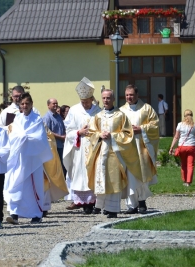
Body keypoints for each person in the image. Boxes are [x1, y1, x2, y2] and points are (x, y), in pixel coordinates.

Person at [86, 89, 141, 218]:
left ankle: (113, 209)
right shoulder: (98, 116)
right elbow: (91, 133)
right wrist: (99, 134)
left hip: (116, 153)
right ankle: (102, 206)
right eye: (104, 98)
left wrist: (113, 136)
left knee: (114, 179)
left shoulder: (120, 115)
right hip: (101, 152)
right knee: (102, 177)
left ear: (113, 99)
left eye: (109, 98)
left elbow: (128, 134)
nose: (106, 100)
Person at [4, 92, 52, 224]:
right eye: (22, 104)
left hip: (32, 158)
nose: (24, 106)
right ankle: (14, 213)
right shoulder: (17, 119)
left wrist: (26, 137)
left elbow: (40, 138)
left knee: (33, 187)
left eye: (27, 103)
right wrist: (20, 137)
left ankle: (36, 214)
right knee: (16, 184)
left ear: (31, 104)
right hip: (19, 157)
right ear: (20, 105)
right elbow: (13, 135)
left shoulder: (37, 119)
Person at [63, 77, 102, 214]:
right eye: (82, 101)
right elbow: (68, 130)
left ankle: (94, 202)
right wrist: (79, 132)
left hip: (94, 147)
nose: (84, 104)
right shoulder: (74, 110)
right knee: (81, 175)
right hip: (80, 149)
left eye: (87, 101)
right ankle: (84, 203)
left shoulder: (98, 111)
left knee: (94, 173)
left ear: (92, 98)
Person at [119, 84, 159, 214]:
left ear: (137, 95)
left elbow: (155, 125)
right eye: (127, 95)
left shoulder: (147, 109)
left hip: (142, 147)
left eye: (131, 95)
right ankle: (131, 205)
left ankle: (142, 202)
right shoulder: (121, 111)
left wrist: (141, 129)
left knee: (141, 173)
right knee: (129, 176)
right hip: (127, 149)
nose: (129, 97)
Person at [169, 109, 195, 186]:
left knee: (183, 164)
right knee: (190, 165)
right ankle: (188, 182)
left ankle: (184, 180)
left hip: (182, 147)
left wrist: (171, 147)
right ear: (192, 116)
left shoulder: (180, 125)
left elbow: (176, 137)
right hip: (192, 146)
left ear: (184, 116)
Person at [42, 98, 66, 177]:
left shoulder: (58, 116)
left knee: (62, 167)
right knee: (56, 169)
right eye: (53, 104)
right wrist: (61, 137)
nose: (56, 105)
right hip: (53, 147)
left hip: (61, 145)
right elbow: (47, 132)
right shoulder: (47, 117)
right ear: (48, 105)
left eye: (56, 103)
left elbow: (62, 128)